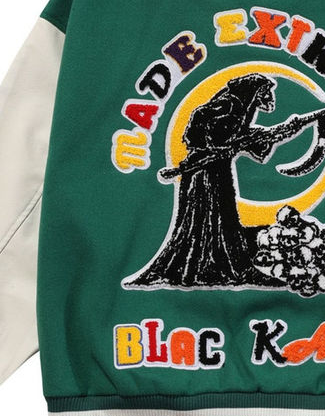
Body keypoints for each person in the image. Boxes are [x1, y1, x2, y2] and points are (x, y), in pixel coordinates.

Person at [123, 73, 309, 289]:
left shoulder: (243, 111)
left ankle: (224, 263)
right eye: (265, 92)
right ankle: (198, 268)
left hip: (219, 171)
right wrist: (217, 146)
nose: (269, 98)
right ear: (254, 92)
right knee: (204, 216)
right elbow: (199, 118)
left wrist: (277, 133)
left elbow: (247, 140)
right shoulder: (229, 104)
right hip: (203, 174)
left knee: (224, 215)